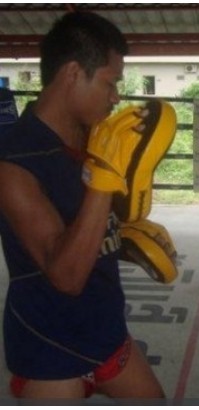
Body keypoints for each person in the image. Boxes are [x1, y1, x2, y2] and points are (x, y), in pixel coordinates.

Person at [0, 12, 164, 400]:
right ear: (73, 73)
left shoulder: (93, 137)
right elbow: (66, 275)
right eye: (110, 82)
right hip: (49, 345)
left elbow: (95, 225)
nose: (116, 96)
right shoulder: (14, 162)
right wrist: (104, 176)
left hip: (106, 329)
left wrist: (127, 238)